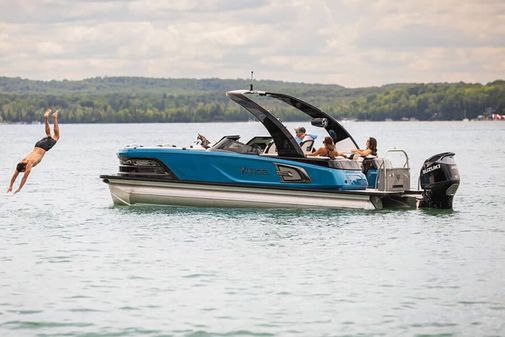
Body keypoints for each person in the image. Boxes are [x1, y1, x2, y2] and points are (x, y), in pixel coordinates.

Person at [7, 108, 60, 194]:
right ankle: (46, 118)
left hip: (43, 147)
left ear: (24, 168)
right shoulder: (22, 162)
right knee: (48, 135)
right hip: (37, 145)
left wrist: (19, 188)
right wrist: (10, 186)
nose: (24, 172)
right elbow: (15, 175)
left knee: (56, 136)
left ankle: (55, 118)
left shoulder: (28, 165)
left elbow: (24, 178)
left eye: (23, 171)